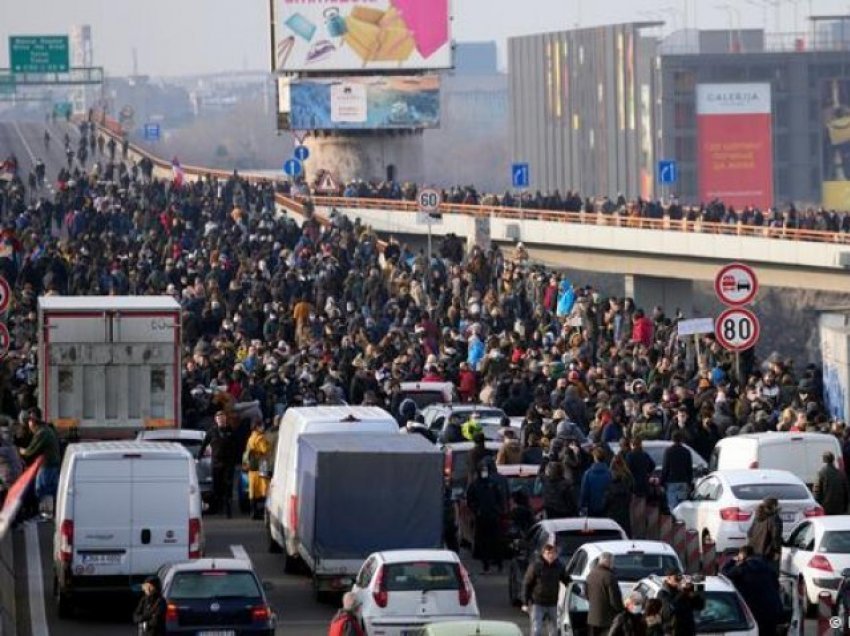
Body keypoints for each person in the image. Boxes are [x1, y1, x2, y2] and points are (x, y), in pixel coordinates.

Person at [721, 545, 783, 636]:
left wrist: (733, 560)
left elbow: (725, 572)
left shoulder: (743, 569)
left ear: (742, 555)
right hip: (773, 609)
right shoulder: (767, 567)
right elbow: (777, 586)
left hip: (756, 612)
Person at [18, 407, 61, 519]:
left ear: (32, 421)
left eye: (29, 422)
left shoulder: (41, 433)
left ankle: (45, 514)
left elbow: (29, 451)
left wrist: (18, 450)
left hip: (47, 465)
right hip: (53, 464)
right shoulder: (46, 429)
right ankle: (50, 513)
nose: (28, 425)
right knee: (50, 489)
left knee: (41, 489)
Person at [521, 542, 572, 636]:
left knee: (554, 630)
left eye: (553, 553)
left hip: (552, 602)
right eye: (548, 553)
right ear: (543, 554)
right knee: (537, 630)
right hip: (537, 602)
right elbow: (526, 584)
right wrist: (525, 602)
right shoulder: (536, 566)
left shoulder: (559, 567)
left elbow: (567, 580)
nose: (551, 556)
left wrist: (577, 590)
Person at [465, 458, 506, 574]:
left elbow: (500, 498)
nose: (484, 472)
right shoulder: (475, 485)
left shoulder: (493, 483)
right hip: (481, 517)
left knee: (496, 541)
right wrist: (476, 510)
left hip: (493, 516)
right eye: (482, 470)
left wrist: (498, 510)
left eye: (485, 469)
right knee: (483, 543)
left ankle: (499, 564)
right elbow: (470, 500)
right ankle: (486, 566)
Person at [199, 410, 240, 517]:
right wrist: (198, 457)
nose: (221, 420)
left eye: (223, 418)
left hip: (228, 463)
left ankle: (228, 509)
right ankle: (218, 507)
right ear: (216, 420)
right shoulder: (212, 432)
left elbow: (237, 446)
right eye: (219, 418)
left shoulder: (230, 431)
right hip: (216, 463)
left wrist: (237, 460)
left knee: (228, 485)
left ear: (225, 419)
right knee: (217, 487)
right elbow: (204, 445)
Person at [656, 568, 704, 636]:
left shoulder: (683, 592)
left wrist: (693, 595)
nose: (679, 580)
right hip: (673, 631)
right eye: (676, 578)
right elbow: (670, 609)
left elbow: (700, 606)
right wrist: (682, 593)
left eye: (680, 577)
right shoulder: (663, 593)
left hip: (688, 631)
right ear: (669, 578)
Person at [586, 551, 624, 635]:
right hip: (607, 619)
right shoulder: (609, 577)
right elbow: (614, 600)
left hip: (592, 618)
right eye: (612, 562)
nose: (612, 565)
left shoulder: (590, 575)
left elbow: (587, 595)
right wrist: (621, 611)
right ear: (608, 562)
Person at [747, 496, 783, 573]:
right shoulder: (774, 518)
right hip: (768, 553)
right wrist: (776, 551)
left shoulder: (757, 517)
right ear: (774, 506)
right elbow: (776, 536)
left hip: (754, 551)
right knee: (770, 577)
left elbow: (749, 533)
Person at [243, 420, 271, 520]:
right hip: (260, 466)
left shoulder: (251, 437)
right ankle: (263, 512)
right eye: (261, 426)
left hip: (252, 468)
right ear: (257, 427)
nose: (263, 427)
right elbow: (265, 450)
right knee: (264, 489)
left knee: (253, 490)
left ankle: (253, 512)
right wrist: (267, 443)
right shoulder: (260, 438)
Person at [660, 431, 692, 513]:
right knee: (682, 507)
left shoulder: (668, 451)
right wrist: (689, 483)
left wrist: (662, 482)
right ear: (681, 439)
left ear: (672, 439)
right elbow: (689, 469)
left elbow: (665, 468)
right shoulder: (686, 452)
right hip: (683, 481)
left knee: (673, 507)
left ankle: (675, 523)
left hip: (671, 482)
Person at [814, 450, 850, 515]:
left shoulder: (822, 473)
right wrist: (846, 507)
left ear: (824, 460)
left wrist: (817, 504)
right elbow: (846, 491)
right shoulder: (840, 473)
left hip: (826, 506)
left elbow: (817, 491)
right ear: (833, 460)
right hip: (839, 507)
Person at [580, 448, 612, 517]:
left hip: (591, 507)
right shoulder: (609, 473)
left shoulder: (588, 473)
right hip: (606, 507)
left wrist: (582, 506)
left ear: (595, 458)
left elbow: (584, 492)